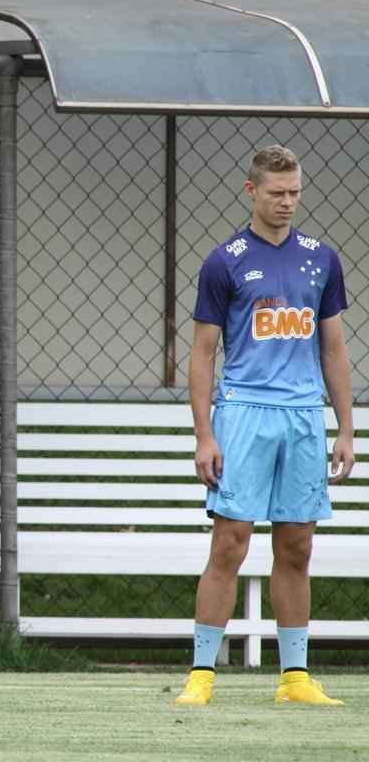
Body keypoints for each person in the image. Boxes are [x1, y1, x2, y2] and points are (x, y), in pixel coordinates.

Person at [175, 144, 353, 707]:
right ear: (251, 192)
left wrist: (346, 428)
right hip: (244, 412)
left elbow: (333, 348)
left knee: (297, 546)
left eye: (295, 192)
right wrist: (204, 434)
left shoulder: (322, 258)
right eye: (276, 193)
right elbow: (202, 354)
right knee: (230, 541)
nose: (287, 202)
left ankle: (295, 678)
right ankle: (202, 674)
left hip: (302, 417)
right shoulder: (223, 261)